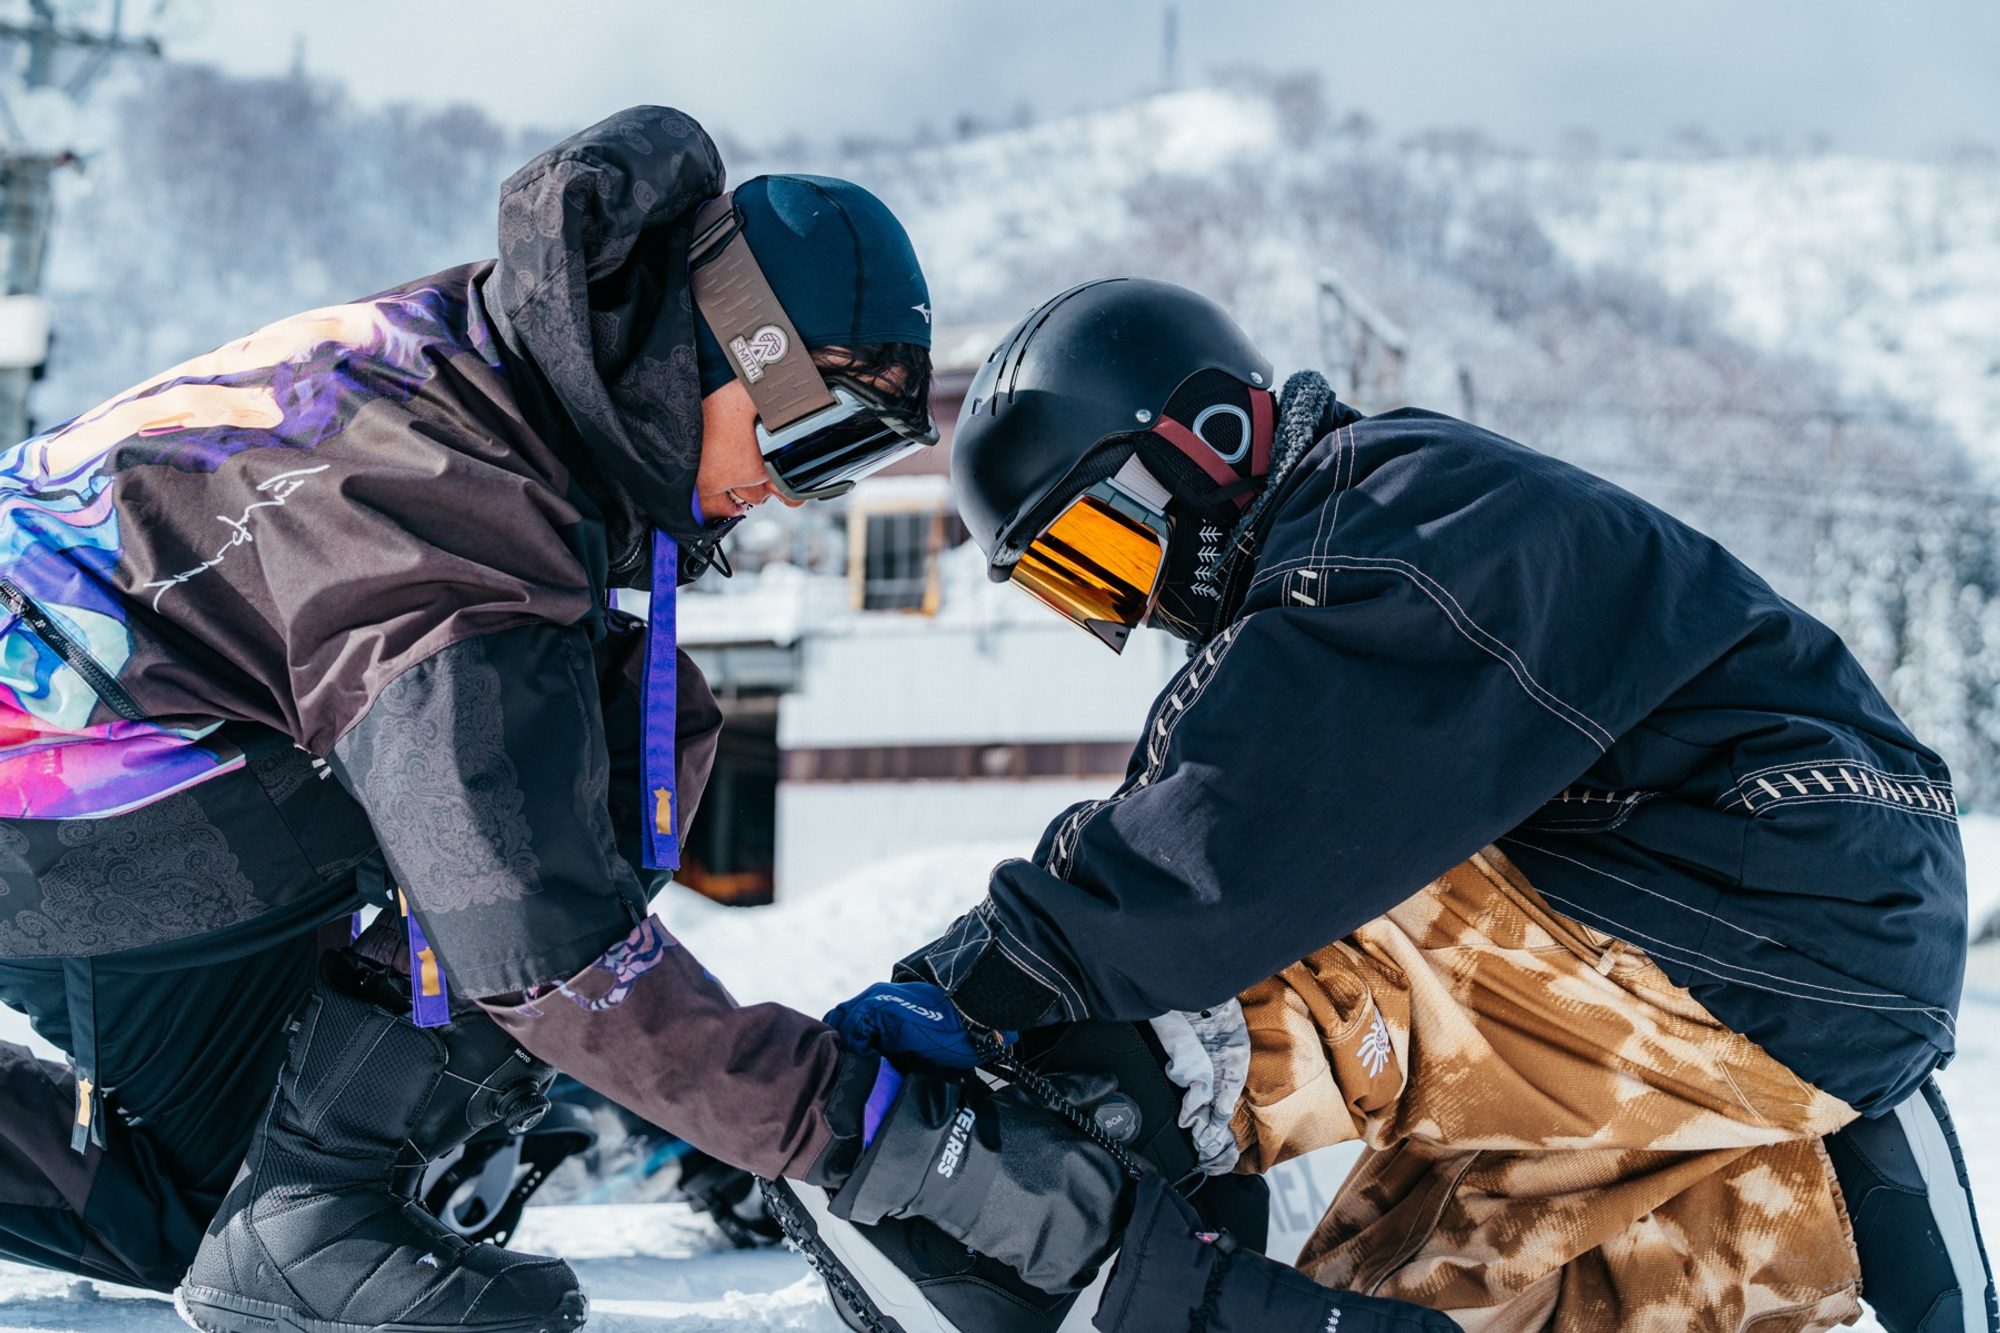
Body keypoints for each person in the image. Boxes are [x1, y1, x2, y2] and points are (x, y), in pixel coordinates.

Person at [0, 105, 1111, 1333]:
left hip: (113, 764)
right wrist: (874, 1135)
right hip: (66, 775)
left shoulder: (498, 380)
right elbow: (534, 927)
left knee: (208, 1210)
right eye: (809, 438)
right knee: (575, 760)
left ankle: (309, 1199)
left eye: (843, 469)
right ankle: (323, 1196)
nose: (789, 492)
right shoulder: (447, 508)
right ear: (724, 347)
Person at [816, 277, 1996, 1333]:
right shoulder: (1356, 555)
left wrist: (972, 985)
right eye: (1076, 590)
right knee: (1404, 1286)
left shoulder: (1383, 526)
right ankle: (1782, 1184)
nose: (1133, 606)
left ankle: (1018, 1238)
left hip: (1752, 873)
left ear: (1206, 438)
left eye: (1098, 550)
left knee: (1226, 962)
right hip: (1767, 968)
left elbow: (1203, 850)